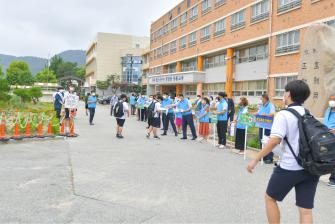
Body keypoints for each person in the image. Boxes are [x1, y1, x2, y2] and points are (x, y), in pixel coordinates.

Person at [247, 80, 320, 224]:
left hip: (290, 167)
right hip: (310, 167)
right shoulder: (308, 113)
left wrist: (255, 159)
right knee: (305, 210)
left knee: (270, 198)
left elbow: (274, 140)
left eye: (284, 92)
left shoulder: (283, 115)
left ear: (288, 94)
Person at [256, 93, 276, 164]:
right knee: (261, 140)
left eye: (262, 99)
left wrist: (266, 115)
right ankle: (262, 156)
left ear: (265, 98)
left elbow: (273, 114)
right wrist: (253, 113)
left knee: (267, 141)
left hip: (268, 126)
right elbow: (258, 113)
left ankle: (269, 158)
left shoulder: (271, 105)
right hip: (261, 125)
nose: (261, 100)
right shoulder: (262, 106)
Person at [323, 94, 335, 187]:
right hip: (327, 137)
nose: (331, 101)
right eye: (330, 99)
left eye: (333, 99)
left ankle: (333, 180)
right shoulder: (328, 110)